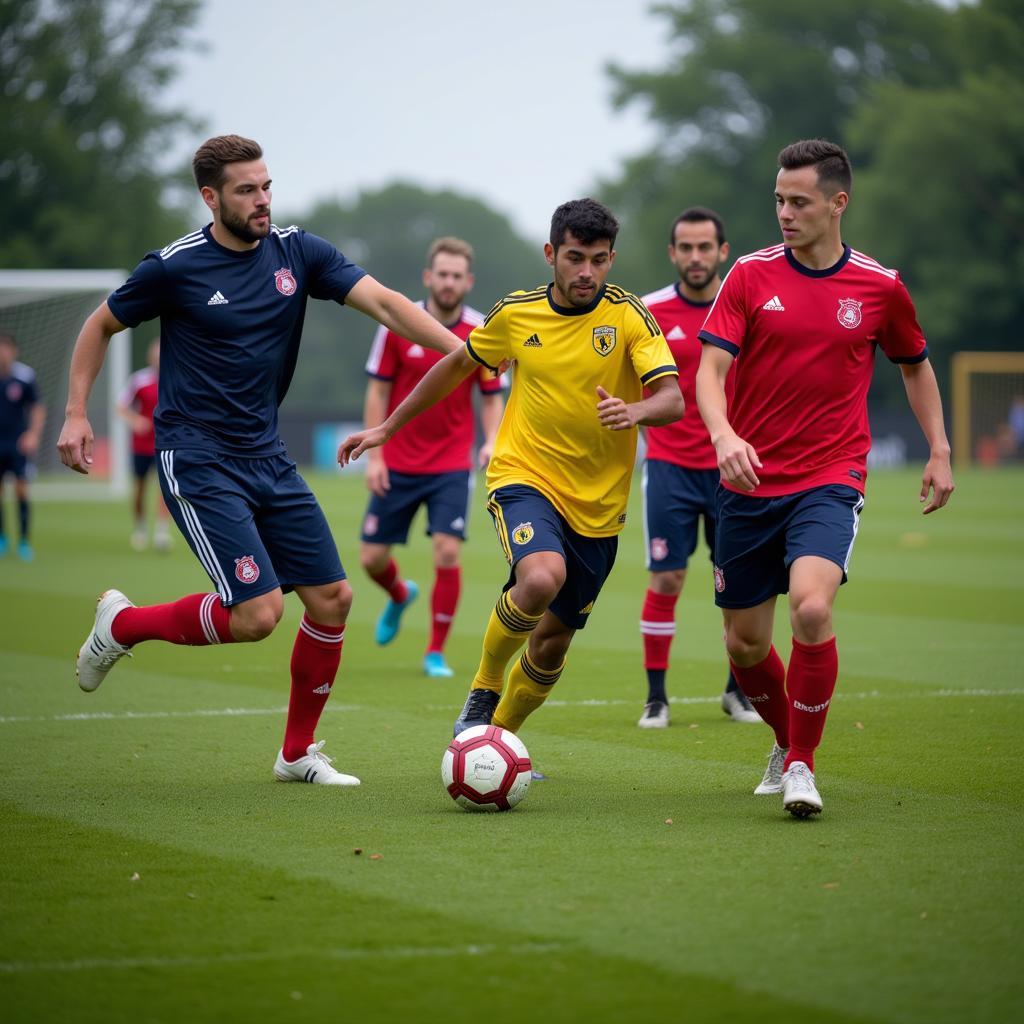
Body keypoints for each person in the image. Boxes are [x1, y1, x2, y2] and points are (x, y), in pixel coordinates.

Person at [57, 134, 471, 787]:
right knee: (258, 615)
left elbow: (390, 305)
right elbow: (99, 325)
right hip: (196, 457)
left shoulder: (297, 252)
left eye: (267, 186)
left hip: (267, 456)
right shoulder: (174, 266)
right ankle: (124, 625)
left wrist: (469, 355)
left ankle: (296, 755)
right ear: (210, 196)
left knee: (332, 599)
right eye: (247, 189)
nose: (262, 200)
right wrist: (78, 411)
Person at [339, 198, 682, 740]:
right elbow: (454, 367)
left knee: (551, 644)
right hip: (524, 476)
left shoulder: (629, 316)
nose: (586, 271)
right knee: (542, 576)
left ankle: (497, 741)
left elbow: (672, 399)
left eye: (597, 259)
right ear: (551, 254)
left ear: (611, 259)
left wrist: (635, 409)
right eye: (574, 257)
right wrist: (387, 429)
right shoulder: (515, 314)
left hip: (599, 506)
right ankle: (483, 688)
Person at [696, 138, 954, 818]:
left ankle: (804, 766)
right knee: (744, 642)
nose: (785, 212)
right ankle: (786, 741)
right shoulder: (749, 276)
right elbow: (710, 371)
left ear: (838, 203)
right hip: (748, 484)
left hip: (830, 477)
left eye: (799, 202)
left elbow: (915, 363)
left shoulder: (879, 285)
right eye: (779, 200)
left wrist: (941, 449)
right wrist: (723, 436)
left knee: (812, 607)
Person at [359, 237, 505, 678]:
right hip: (398, 460)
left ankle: (435, 652)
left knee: (446, 552)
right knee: (371, 559)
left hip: (450, 464)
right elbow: (378, 389)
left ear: (468, 281)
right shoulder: (397, 325)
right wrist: (377, 457)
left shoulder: (481, 331)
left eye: (457, 276)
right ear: (428, 277)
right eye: (442, 274)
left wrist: (492, 439)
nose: (448, 282)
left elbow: (492, 393)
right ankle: (401, 594)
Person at [637, 207, 759, 729]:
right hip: (669, 466)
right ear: (673, 253)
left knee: (737, 585)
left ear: (722, 251)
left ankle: (738, 692)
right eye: (685, 247)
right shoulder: (649, 311)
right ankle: (656, 698)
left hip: (733, 467)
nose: (695, 257)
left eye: (704, 247)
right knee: (667, 579)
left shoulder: (745, 307)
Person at [117, 338, 172, 552]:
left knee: (165, 490)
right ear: (150, 357)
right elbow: (121, 407)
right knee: (139, 489)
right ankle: (140, 528)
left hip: (166, 445)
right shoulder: (139, 380)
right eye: (155, 353)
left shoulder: (176, 378)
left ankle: (161, 531)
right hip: (141, 446)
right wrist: (135, 421)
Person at [0, 332, 45, 561]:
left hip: (17, 443)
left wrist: (33, 434)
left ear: (13, 351)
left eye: (6, 348)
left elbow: (37, 407)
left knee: (21, 489)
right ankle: (2, 538)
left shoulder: (25, 376)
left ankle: (25, 540)